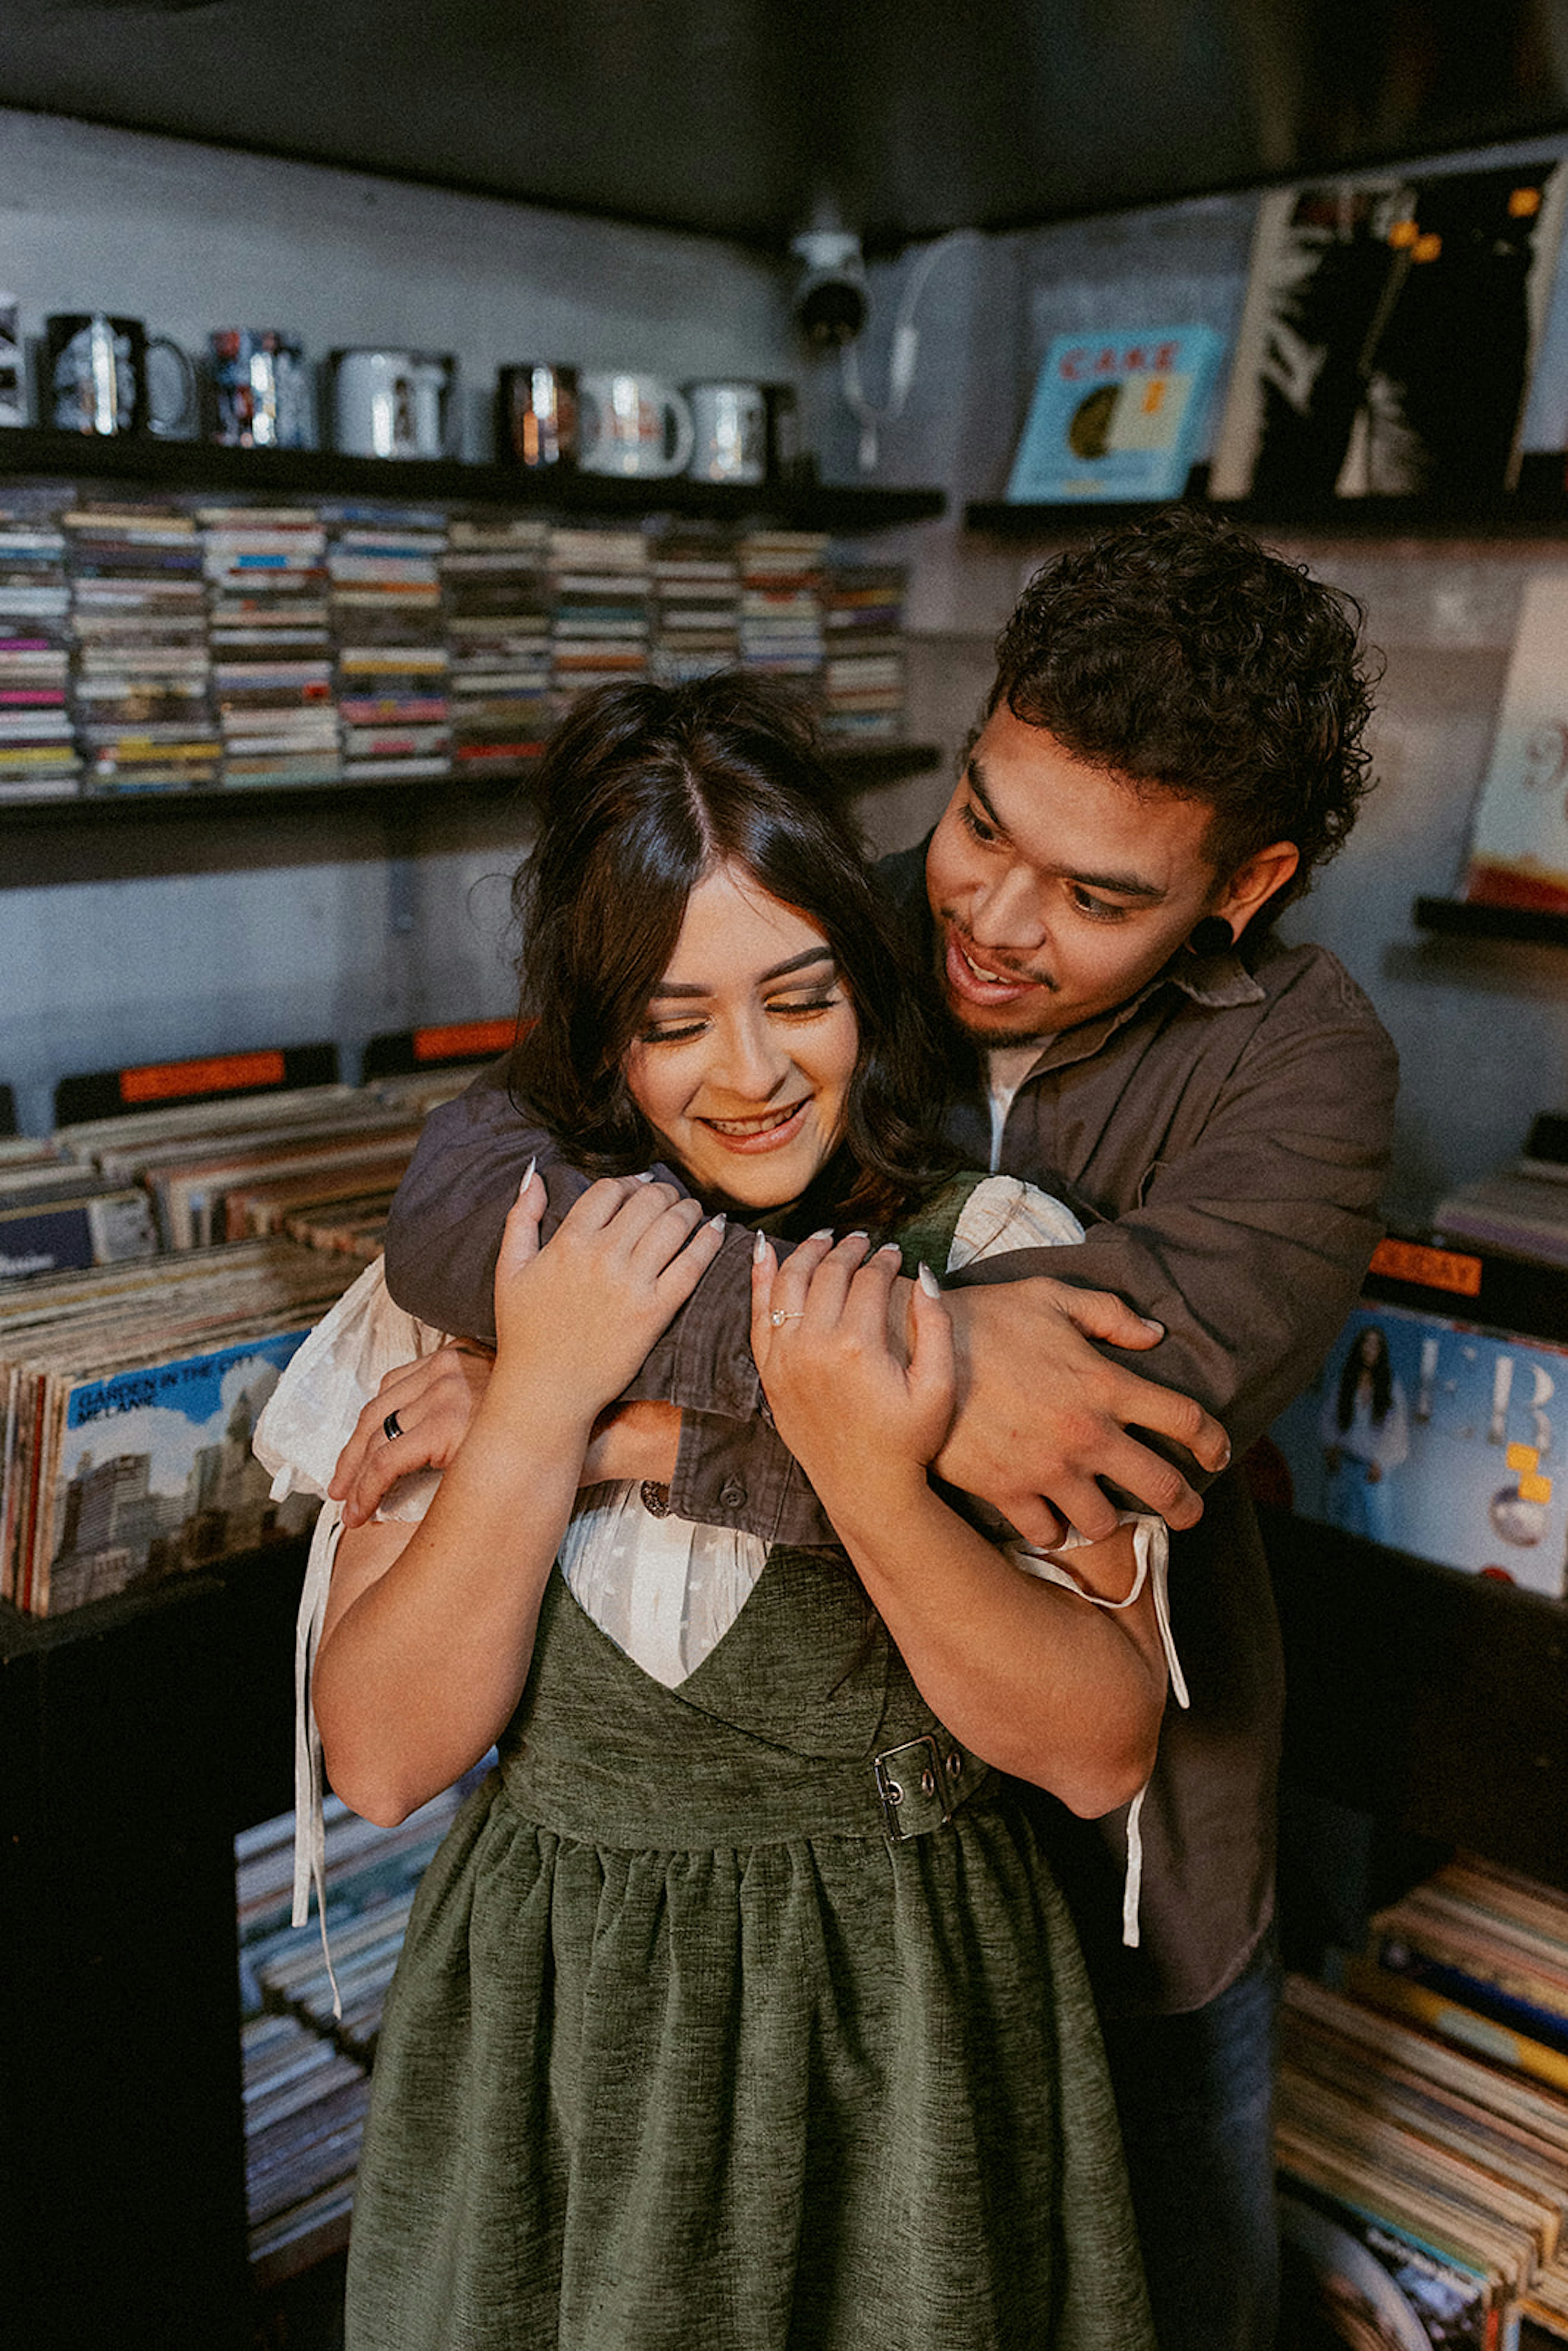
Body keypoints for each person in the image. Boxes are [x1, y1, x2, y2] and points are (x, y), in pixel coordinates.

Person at [358, 508, 1401, 2351]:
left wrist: (617, 1424)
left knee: (1156, 2285)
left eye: (1096, 894)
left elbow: (1107, 1443)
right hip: (774, 1863)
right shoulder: (827, 932)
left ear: (1245, 881)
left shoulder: (1307, 1065)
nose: (991, 918)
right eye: (988, 821)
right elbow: (465, 1181)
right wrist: (731, 1359)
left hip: (1123, 1856)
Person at [266, 674, 1177, 2349]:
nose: (752, 1073)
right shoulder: (484, 1278)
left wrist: (866, 1463)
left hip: (900, 2022)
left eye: (801, 996)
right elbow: (386, 1758)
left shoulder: (993, 1261)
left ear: (863, 981)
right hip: (555, 2028)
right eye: (677, 1021)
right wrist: (540, 1401)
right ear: (599, 1029)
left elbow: (1103, 1745)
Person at [1320, 1322, 1409, 1546]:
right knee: (1337, 1527)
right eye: (1367, 1344)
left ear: (1382, 1351)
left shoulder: (1390, 1385)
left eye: (1376, 1345)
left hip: (1373, 1472)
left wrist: (1383, 1463)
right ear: (1360, 1347)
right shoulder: (1345, 1381)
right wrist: (1330, 1448)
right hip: (1343, 1466)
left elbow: (1399, 1430)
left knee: (1379, 1534)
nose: (1370, 1349)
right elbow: (1328, 1416)